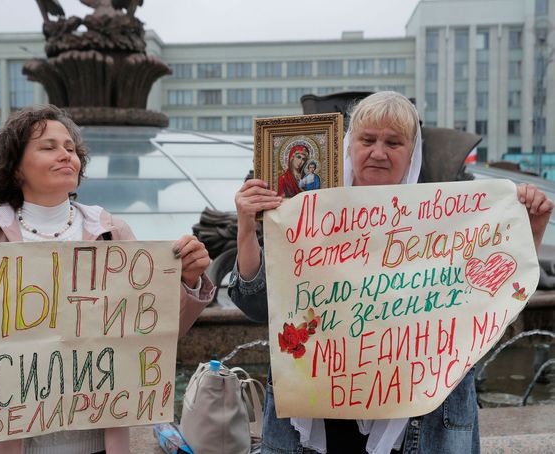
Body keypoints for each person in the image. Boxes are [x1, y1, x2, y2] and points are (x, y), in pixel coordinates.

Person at [229, 91, 553, 453]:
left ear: (411, 152)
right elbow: (257, 306)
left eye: (393, 142)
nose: (378, 152)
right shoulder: (303, 215)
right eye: (367, 140)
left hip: (419, 422)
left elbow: (493, 304)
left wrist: (531, 228)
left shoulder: (447, 220)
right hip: (321, 419)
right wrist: (246, 225)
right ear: (350, 145)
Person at [0, 104, 215, 454]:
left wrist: (187, 282)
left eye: (71, 149)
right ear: (15, 167)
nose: (65, 155)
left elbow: (155, 332)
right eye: (48, 147)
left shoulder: (111, 233)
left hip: (97, 442)